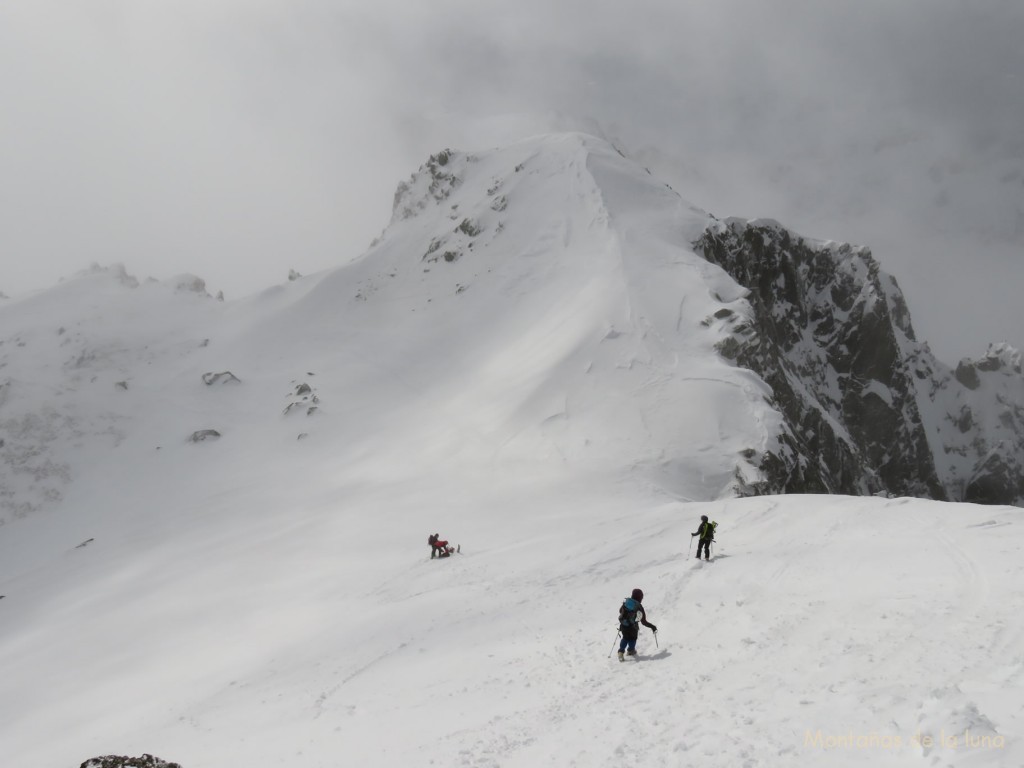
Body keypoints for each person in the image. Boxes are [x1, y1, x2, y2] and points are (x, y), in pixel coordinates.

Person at [617, 588, 657, 660]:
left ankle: (620, 652)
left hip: (624, 624)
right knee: (632, 639)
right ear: (640, 597)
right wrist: (652, 627)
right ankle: (631, 651)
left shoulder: (627, 601)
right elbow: (643, 621)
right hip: (633, 626)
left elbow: (620, 611)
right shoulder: (639, 606)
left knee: (625, 638)